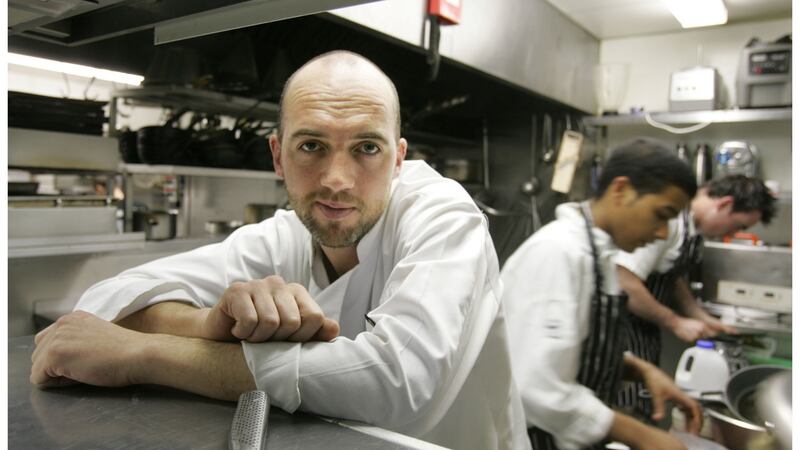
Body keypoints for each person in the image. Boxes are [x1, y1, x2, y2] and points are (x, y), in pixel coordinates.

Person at [30, 50, 531, 450]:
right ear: (277, 156)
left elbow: (395, 382)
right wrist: (207, 324)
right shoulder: (285, 236)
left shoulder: (444, 218)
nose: (337, 180)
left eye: (367, 148)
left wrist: (145, 354)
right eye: (311, 146)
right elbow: (105, 302)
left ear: (398, 160)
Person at [501, 138, 703, 450]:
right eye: (661, 215)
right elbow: (534, 384)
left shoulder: (600, 254)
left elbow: (572, 347)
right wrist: (641, 435)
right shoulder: (558, 253)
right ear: (621, 190)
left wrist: (637, 369)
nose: (662, 233)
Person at [615, 174, 776, 419]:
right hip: (623, 332)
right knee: (627, 413)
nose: (732, 233)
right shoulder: (669, 222)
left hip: (644, 332)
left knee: (645, 405)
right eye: (738, 225)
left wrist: (698, 315)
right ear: (724, 204)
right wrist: (674, 321)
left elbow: (672, 274)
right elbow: (624, 280)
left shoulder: (692, 229)